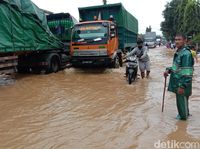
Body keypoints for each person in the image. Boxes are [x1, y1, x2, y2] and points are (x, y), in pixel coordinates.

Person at [164, 33, 194, 120]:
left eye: (179, 40)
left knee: (182, 111)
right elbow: (177, 67)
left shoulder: (186, 54)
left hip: (181, 85)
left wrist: (182, 86)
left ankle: (182, 126)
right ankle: (185, 115)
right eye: (176, 40)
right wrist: (168, 70)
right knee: (183, 105)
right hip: (179, 83)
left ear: (185, 41)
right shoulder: (179, 52)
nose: (177, 41)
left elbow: (187, 73)